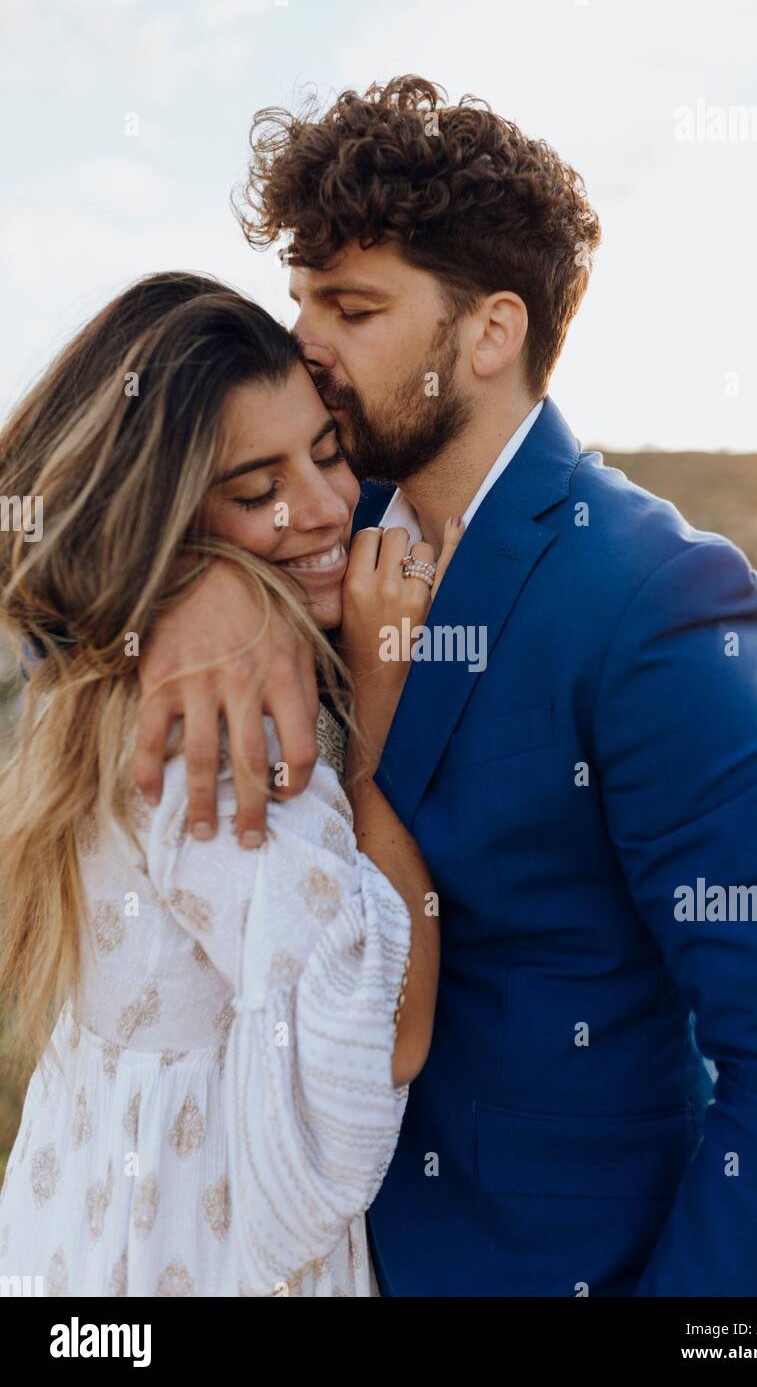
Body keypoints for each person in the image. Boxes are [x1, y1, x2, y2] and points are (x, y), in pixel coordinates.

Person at [134, 76, 757, 1297]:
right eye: (301, 294)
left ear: (487, 333)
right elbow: (59, 585)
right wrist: (186, 598)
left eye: (352, 305)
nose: (303, 340)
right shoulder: (303, 522)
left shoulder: (653, 599)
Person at [0, 271, 456, 1296]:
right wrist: (377, 712)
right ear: (160, 515)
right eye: (257, 493)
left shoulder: (105, 668)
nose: (329, 506)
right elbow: (386, 1028)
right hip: (189, 1252)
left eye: (329, 453)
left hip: (79, 1218)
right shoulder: (215, 723)